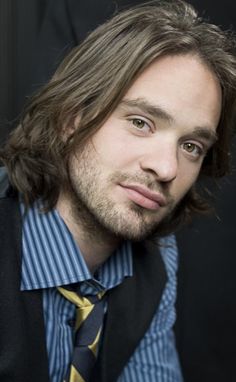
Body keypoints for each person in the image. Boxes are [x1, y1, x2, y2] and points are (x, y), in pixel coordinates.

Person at [0, 1, 236, 381]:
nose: (167, 168)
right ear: (72, 117)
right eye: (141, 122)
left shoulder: (156, 258)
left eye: (191, 146)